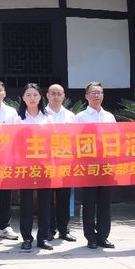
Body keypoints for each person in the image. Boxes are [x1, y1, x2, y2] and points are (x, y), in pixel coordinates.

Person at [74, 81, 117, 250]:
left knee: (105, 202)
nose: (96, 95)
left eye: (99, 92)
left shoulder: (109, 116)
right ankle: (90, 237)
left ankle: (103, 236)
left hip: (107, 165)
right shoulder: (80, 117)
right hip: (89, 165)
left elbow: (116, 139)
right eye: (93, 92)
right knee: (89, 202)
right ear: (86, 96)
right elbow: (75, 141)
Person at [16, 83, 53, 251]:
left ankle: (43, 237)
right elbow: (13, 142)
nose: (32, 98)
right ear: (23, 98)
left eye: (35, 95)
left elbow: (53, 142)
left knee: (45, 203)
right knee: (26, 203)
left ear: (41, 97)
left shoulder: (48, 118)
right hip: (25, 166)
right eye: (28, 95)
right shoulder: (18, 119)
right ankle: (26, 237)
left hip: (44, 165)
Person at [0, 79, 20, 241]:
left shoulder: (12, 112)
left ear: (4, 93)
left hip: (7, 158)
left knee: (6, 194)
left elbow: (17, 135)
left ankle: (5, 227)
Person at [45, 84, 77, 242]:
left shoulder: (71, 116)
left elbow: (76, 138)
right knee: (48, 198)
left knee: (64, 197)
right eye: (53, 93)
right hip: (47, 162)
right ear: (47, 95)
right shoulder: (42, 114)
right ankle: (49, 229)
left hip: (65, 161)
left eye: (59, 93)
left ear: (64, 96)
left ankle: (64, 229)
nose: (56, 96)